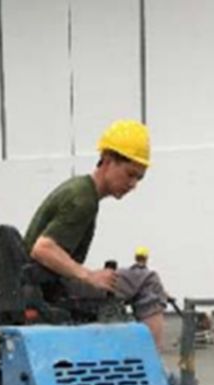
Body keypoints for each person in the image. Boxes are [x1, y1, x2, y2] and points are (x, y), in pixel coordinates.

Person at [23, 120, 166, 348]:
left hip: (42, 285)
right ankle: (152, 369)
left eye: (139, 178)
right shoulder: (83, 199)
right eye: (130, 174)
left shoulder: (80, 190)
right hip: (53, 289)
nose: (133, 184)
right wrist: (89, 276)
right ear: (108, 160)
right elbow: (42, 248)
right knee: (146, 280)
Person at [114, 246, 170, 350]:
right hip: (150, 313)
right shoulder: (150, 276)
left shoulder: (127, 273)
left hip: (140, 312)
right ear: (146, 258)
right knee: (152, 347)